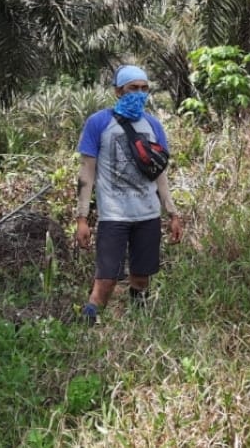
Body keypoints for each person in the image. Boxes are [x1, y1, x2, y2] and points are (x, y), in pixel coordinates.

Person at [75, 65, 183, 324]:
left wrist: (172, 213)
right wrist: (81, 218)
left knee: (142, 277)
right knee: (106, 280)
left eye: (144, 88)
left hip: (147, 215)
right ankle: (85, 328)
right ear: (118, 91)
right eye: (133, 88)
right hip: (113, 216)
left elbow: (160, 174)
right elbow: (86, 174)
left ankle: (140, 327)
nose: (139, 93)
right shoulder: (98, 123)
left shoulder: (153, 125)